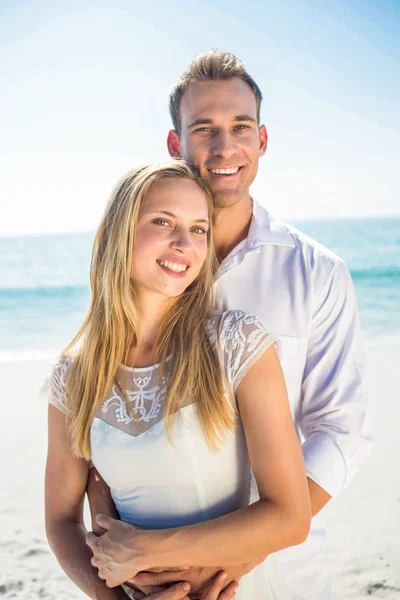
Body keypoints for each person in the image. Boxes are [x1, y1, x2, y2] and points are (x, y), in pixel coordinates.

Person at [87, 51, 373, 600]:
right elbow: (102, 423)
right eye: (204, 130)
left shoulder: (316, 272)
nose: (224, 148)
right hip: (155, 578)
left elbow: (340, 429)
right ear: (176, 144)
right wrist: (124, 560)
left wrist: (241, 550)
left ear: (262, 140)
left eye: (240, 127)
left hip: (283, 566)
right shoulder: (141, 268)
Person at [42, 161, 311, 600]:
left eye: (199, 229)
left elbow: (290, 517)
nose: (184, 243)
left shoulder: (236, 343)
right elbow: (60, 520)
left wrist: (143, 551)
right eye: (163, 222)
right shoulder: (73, 377)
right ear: (119, 232)